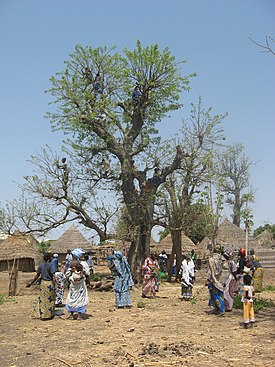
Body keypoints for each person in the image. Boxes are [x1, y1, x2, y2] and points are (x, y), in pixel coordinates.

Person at [26, 253, 55, 321]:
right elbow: (53, 275)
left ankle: (43, 314)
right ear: (49, 258)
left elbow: (37, 275)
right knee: (50, 299)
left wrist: (31, 283)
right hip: (49, 284)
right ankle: (49, 315)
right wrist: (58, 283)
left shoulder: (41, 265)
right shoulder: (51, 265)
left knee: (43, 299)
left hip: (43, 284)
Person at [206, 251, 225, 316]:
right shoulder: (221, 260)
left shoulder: (211, 260)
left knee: (216, 295)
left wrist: (208, 279)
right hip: (220, 280)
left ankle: (221, 310)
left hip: (213, 281)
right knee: (217, 295)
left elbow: (210, 271)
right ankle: (216, 308)